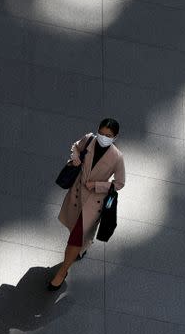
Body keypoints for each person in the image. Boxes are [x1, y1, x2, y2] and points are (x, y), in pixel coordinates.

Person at [48, 118, 126, 290]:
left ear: (115, 137)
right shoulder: (89, 139)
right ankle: (83, 246)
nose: (104, 137)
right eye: (102, 133)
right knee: (74, 227)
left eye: (109, 135)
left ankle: (63, 271)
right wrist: (75, 157)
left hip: (94, 201)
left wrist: (98, 185)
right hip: (77, 193)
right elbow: (76, 146)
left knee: (76, 236)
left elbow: (119, 183)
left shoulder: (117, 157)